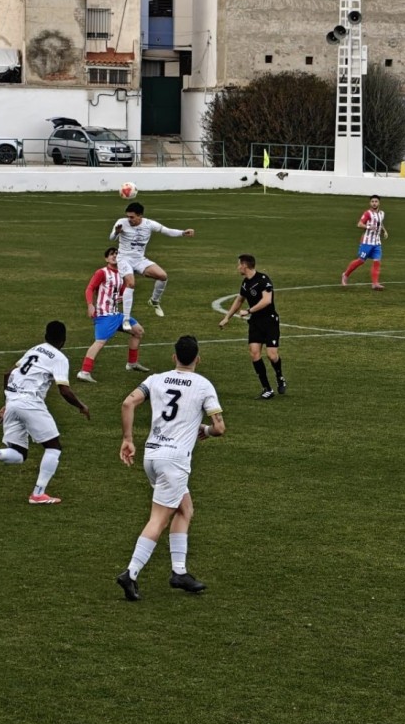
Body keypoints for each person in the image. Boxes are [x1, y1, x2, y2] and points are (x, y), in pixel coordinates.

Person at [115, 335, 225, 601]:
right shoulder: (203, 385)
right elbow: (219, 428)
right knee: (159, 519)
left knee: (185, 509)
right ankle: (130, 573)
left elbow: (128, 402)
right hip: (175, 462)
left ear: (173, 357)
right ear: (198, 358)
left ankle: (179, 572)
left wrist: (128, 439)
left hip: (152, 457)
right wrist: (206, 430)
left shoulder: (156, 379)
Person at [0, 321, 89, 505]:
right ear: (63, 340)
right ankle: (38, 494)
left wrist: (8, 403)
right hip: (30, 402)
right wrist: (81, 406)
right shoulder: (60, 357)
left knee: (19, 453)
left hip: (13, 401)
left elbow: (8, 374)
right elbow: (64, 390)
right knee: (54, 447)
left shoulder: (35, 349)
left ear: (45, 335)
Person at [108, 201, 194, 324]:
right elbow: (111, 238)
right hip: (124, 259)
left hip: (139, 259)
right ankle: (126, 319)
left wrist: (182, 233)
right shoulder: (121, 222)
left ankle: (154, 301)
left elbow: (166, 230)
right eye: (128, 216)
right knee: (131, 284)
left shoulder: (149, 224)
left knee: (163, 276)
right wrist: (116, 232)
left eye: (132, 217)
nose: (129, 219)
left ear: (140, 216)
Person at [219, 254, 286, 399]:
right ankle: (267, 389)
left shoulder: (263, 280)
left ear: (245, 265)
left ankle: (280, 377)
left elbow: (267, 301)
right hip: (255, 322)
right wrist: (226, 318)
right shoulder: (245, 283)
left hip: (269, 321)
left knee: (271, 355)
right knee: (254, 353)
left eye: (239, 265)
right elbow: (239, 300)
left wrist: (249, 311)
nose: (237, 268)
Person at [78, 247, 150, 383]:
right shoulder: (102, 272)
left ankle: (132, 363)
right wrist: (90, 304)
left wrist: (123, 296)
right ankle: (84, 372)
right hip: (104, 315)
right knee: (99, 342)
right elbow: (90, 288)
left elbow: (123, 289)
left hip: (117, 315)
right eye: (112, 254)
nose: (115, 256)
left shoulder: (122, 273)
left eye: (117, 254)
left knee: (138, 331)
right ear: (106, 258)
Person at [341, 195, 388, 290]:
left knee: (377, 262)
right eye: (372, 201)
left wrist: (384, 230)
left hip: (377, 243)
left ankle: (375, 284)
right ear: (370, 203)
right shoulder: (368, 213)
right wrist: (368, 227)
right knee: (361, 261)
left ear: (379, 203)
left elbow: (380, 223)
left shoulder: (382, 213)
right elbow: (359, 224)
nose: (374, 203)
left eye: (376, 201)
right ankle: (345, 275)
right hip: (367, 242)